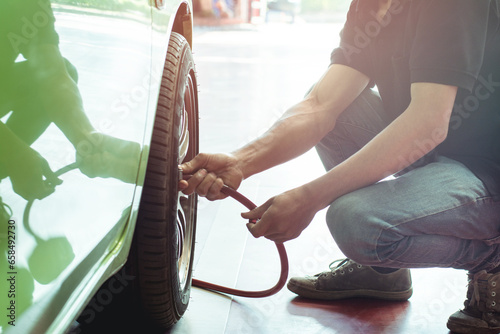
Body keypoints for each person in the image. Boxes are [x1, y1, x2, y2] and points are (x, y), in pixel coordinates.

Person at [179, 0, 500, 332]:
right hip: (441, 149)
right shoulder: (370, 6)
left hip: (487, 172)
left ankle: (493, 258)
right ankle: (380, 272)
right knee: (339, 113)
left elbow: (427, 123)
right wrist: (241, 162)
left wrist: (309, 199)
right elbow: (320, 106)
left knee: (355, 221)